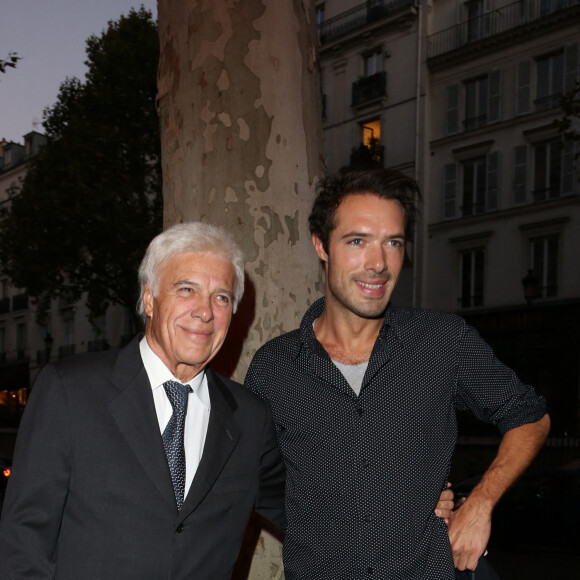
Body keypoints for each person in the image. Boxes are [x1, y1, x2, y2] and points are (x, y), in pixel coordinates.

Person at [245, 168, 550, 579]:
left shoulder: (442, 342)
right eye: (357, 241)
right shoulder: (274, 367)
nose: (378, 264)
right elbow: (259, 484)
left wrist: (479, 504)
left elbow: (530, 417)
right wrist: (326, 525)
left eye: (393, 243)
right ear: (321, 245)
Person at [0, 222, 286, 580]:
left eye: (222, 297)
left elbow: (310, 516)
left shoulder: (250, 418)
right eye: (187, 289)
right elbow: (23, 544)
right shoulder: (69, 392)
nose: (205, 312)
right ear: (149, 299)